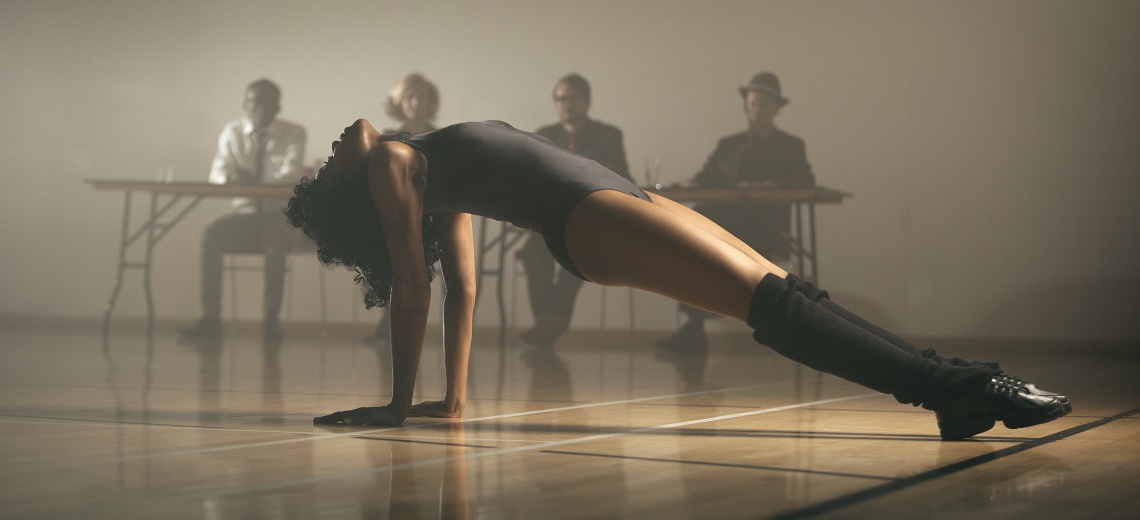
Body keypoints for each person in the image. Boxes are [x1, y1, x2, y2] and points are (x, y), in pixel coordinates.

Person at [286, 118, 1070, 441]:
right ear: (354, 191)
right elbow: (419, 289)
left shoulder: (425, 168)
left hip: (612, 197)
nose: (329, 146)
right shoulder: (393, 163)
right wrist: (395, 404)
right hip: (591, 219)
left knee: (788, 292)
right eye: (326, 169)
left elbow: (465, 290)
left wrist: (451, 403)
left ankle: (955, 389)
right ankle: (957, 389)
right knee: (774, 302)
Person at [657, 71, 815, 351]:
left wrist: (768, 185)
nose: (756, 112)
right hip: (726, 228)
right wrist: (688, 184)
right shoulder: (728, 144)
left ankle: (695, 329)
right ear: (746, 107)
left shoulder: (790, 146)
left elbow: (805, 181)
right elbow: (706, 178)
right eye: (752, 105)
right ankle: (693, 329)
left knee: (711, 239)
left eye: (764, 105)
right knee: (694, 238)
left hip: (766, 229)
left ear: (776, 109)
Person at [180, 79, 306, 341]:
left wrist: (255, 183)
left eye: (268, 102)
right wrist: (233, 177)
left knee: (276, 237)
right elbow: (217, 174)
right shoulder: (232, 132)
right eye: (255, 102)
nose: (261, 108)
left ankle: (271, 320)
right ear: (245, 105)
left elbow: (291, 175)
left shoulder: (293, 133)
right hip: (245, 215)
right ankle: (211, 320)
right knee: (211, 235)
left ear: (278, 106)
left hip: (278, 215)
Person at [518, 73, 631, 345]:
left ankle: (552, 320)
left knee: (579, 253)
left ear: (587, 102)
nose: (565, 104)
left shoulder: (608, 135)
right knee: (532, 252)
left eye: (571, 98)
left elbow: (621, 177)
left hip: (594, 219)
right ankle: (548, 318)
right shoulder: (545, 135)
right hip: (552, 218)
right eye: (559, 99)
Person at [364, 73, 443, 344]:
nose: (416, 103)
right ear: (400, 101)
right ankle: (389, 325)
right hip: (396, 216)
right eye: (410, 96)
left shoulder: (442, 137)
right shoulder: (387, 138)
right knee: (385, 251)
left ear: (430, 102)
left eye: (422, 97)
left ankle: (403, 327)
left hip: (432, 216)